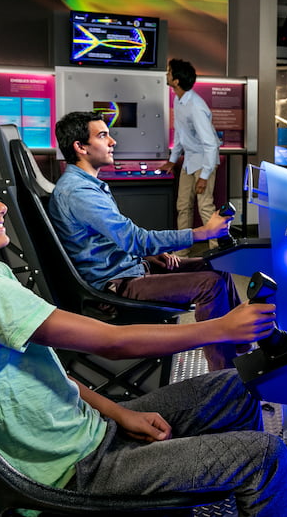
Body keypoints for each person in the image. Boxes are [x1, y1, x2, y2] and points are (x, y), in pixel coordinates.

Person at [0, 151, 287, 516]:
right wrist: (221, 328)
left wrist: (119, 412)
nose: (0, 206)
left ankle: (196, 483)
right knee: (265, 456)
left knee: (236, 387)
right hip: (78, 470)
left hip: (94, 433)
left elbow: (51, 373)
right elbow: (111, 343)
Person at [49, 110, 242, 371]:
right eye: (103, 136)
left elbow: (112, 242)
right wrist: (202, 233)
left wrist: (145, 257)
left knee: (219, 267)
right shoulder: (79, 191)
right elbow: (135, 239)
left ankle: (242, 350)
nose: (112, 142)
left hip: (130, 269)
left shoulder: (87, 185)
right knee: (211, 285)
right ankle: (225, 376)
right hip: (115, 286)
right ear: (80, 147)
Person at [160, 58, 222, 253]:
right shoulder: (179, 100)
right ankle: (182, 251)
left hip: (205, 162)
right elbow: (180, 134)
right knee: (183, 206)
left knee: (205, 207)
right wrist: (172, 160)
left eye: (169, 72)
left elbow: (211, 144)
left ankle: (217, 251)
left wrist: (204, 176)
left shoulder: (196, 106)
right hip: (189, 161)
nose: (166, 75)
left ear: (176, 81)